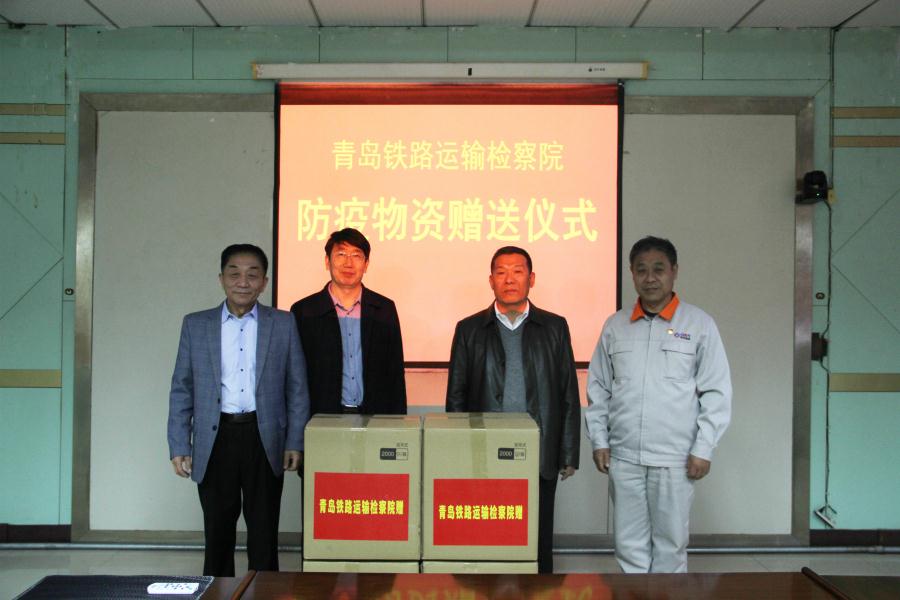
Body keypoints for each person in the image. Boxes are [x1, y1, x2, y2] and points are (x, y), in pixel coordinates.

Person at [585, 236, 732, 573]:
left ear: (674, 272)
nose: (650, 278)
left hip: (675, 458)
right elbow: (599, 388)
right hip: (624, 456)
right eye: (641, 270)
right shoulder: (615, 325)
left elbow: (716, 391)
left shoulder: (699, 325)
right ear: (632, 274)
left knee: (670, 546)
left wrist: (704, 448)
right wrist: (599, 440)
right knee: (629, 547)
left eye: (658, 269)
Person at [167, 244, 310, 576]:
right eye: (234, 273)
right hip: (215, 438)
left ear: (264, 282)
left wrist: (295, 441)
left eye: (252, 274)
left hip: (264, 437)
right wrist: (179, 443)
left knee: (264, 531)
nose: (243, 282)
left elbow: (297, 387)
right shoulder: (196, 324)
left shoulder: (283, 323)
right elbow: (182, 387)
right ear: (221, 278)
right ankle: (218, 591)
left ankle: (265, 593)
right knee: (217, 530)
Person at [446, 246, 580, 574]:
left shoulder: (554, 327)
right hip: (484, 452)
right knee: (488, 536)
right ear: (490, 280)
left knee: (537, 539)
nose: (509, 280)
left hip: (540, 451)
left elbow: (568, 392)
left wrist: (568, 452)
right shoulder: (469, 329)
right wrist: (457, 451)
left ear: (531, 279)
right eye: (501, 272)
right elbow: (456, 397)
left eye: (518, 272)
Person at [290, 228, 406, 415]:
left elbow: (395, 373)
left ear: (366, 264)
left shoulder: (384, 309)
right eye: (341, 254)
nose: (348, 263)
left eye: (356, 256)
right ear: (327, 261)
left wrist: (397, 422)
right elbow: (294, 376)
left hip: (374, 417)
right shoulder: (304, 311)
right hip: (321, 418)